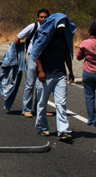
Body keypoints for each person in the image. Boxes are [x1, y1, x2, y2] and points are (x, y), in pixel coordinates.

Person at [30, 13, 76, 142]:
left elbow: (67, 55)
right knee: (42, 103)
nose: (61, 30)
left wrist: (70, 72)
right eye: (59, 28)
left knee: (61, 103)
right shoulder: (45, 36)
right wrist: (41, 71)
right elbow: (37, 54)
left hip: (60, 74)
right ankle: (42, 126)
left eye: (63, 28)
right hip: (46, 74)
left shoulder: (65, 38)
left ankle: (63, 130)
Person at [14, 9, 50, 118]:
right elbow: (18, 37)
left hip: (44, 58)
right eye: (41, 17)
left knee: (42, 85)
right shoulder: (33, 26)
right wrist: (16, 53)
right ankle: (26, 109)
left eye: (45, 17)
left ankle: (40, 109)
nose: (43, 19)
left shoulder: (50, 28)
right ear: (38, 18)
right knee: (30, 84)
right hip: (32, 57)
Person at [75, 21, 96, 127]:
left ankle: (92, 120)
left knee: (90, 97)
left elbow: (78, 57)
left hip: (88, 72)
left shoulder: (85, 43)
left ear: (89, 32)